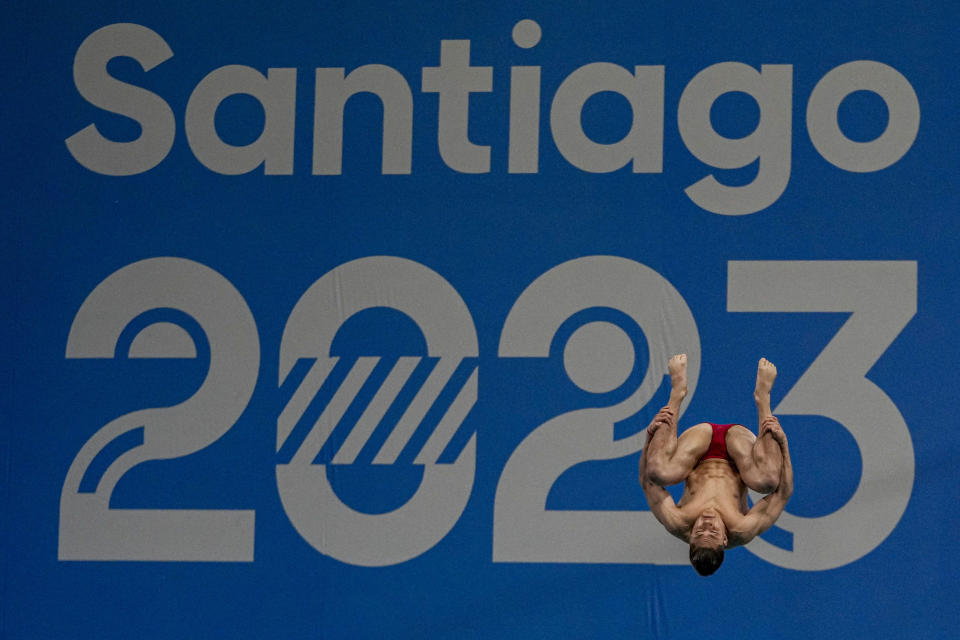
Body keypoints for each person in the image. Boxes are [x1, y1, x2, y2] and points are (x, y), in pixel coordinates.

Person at [639, 354, 793, 576]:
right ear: (724, 539)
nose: (707, 524)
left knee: (657, 472)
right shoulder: (742, 528)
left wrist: (650, 435)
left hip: (696, 449)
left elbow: (646, 483)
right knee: (768, 481)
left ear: (690, 537)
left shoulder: (677, 522)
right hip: (738, 452)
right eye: (712, 532)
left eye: (699, 531)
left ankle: (677, 393)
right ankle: (763, 399)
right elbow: (783, 494)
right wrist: (782, 442)